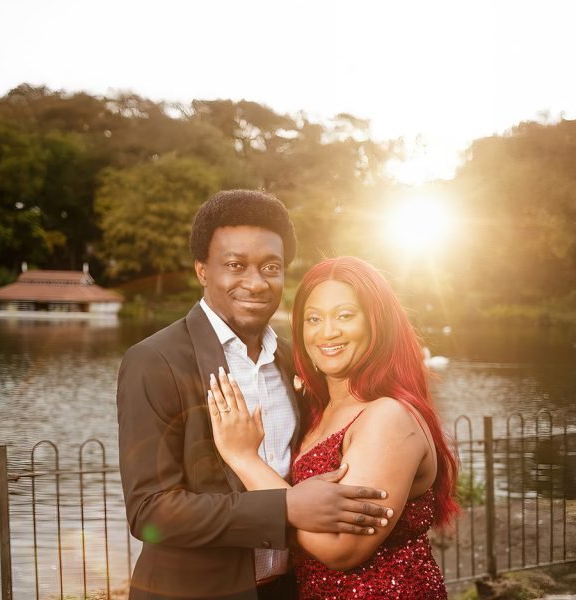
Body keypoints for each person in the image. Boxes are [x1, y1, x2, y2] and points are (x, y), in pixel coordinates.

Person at [117, 191, 393, 600]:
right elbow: (149, 511)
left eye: (271, 267)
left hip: (287, 589)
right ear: (202, 270)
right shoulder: (154, 361)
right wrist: (285, 509)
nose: (256, 282)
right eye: (235, 265)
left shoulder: (296, 359)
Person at [207, 256, 460, 599]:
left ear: (376, 323)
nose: (327, 332)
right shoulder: (320, 410)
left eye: (344, 315)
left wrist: (244, 459)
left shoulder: (389, 417)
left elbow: (342, 548)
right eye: (313, 319)